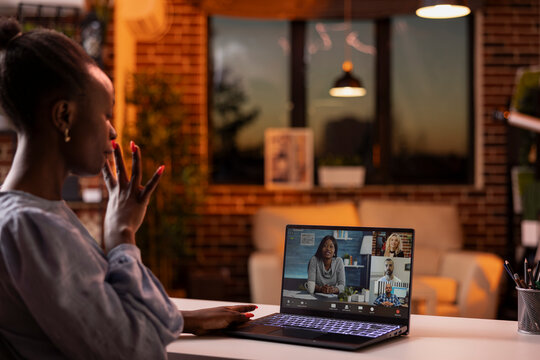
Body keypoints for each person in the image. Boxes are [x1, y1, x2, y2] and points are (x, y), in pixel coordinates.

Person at [0, 18, 256, 359]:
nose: (113, 133)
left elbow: (87, 315)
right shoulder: (33, 227)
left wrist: (183, 319)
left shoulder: (33, 213)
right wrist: (122, 233)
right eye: (105, 114)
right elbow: (136, 352)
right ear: (63, 116)